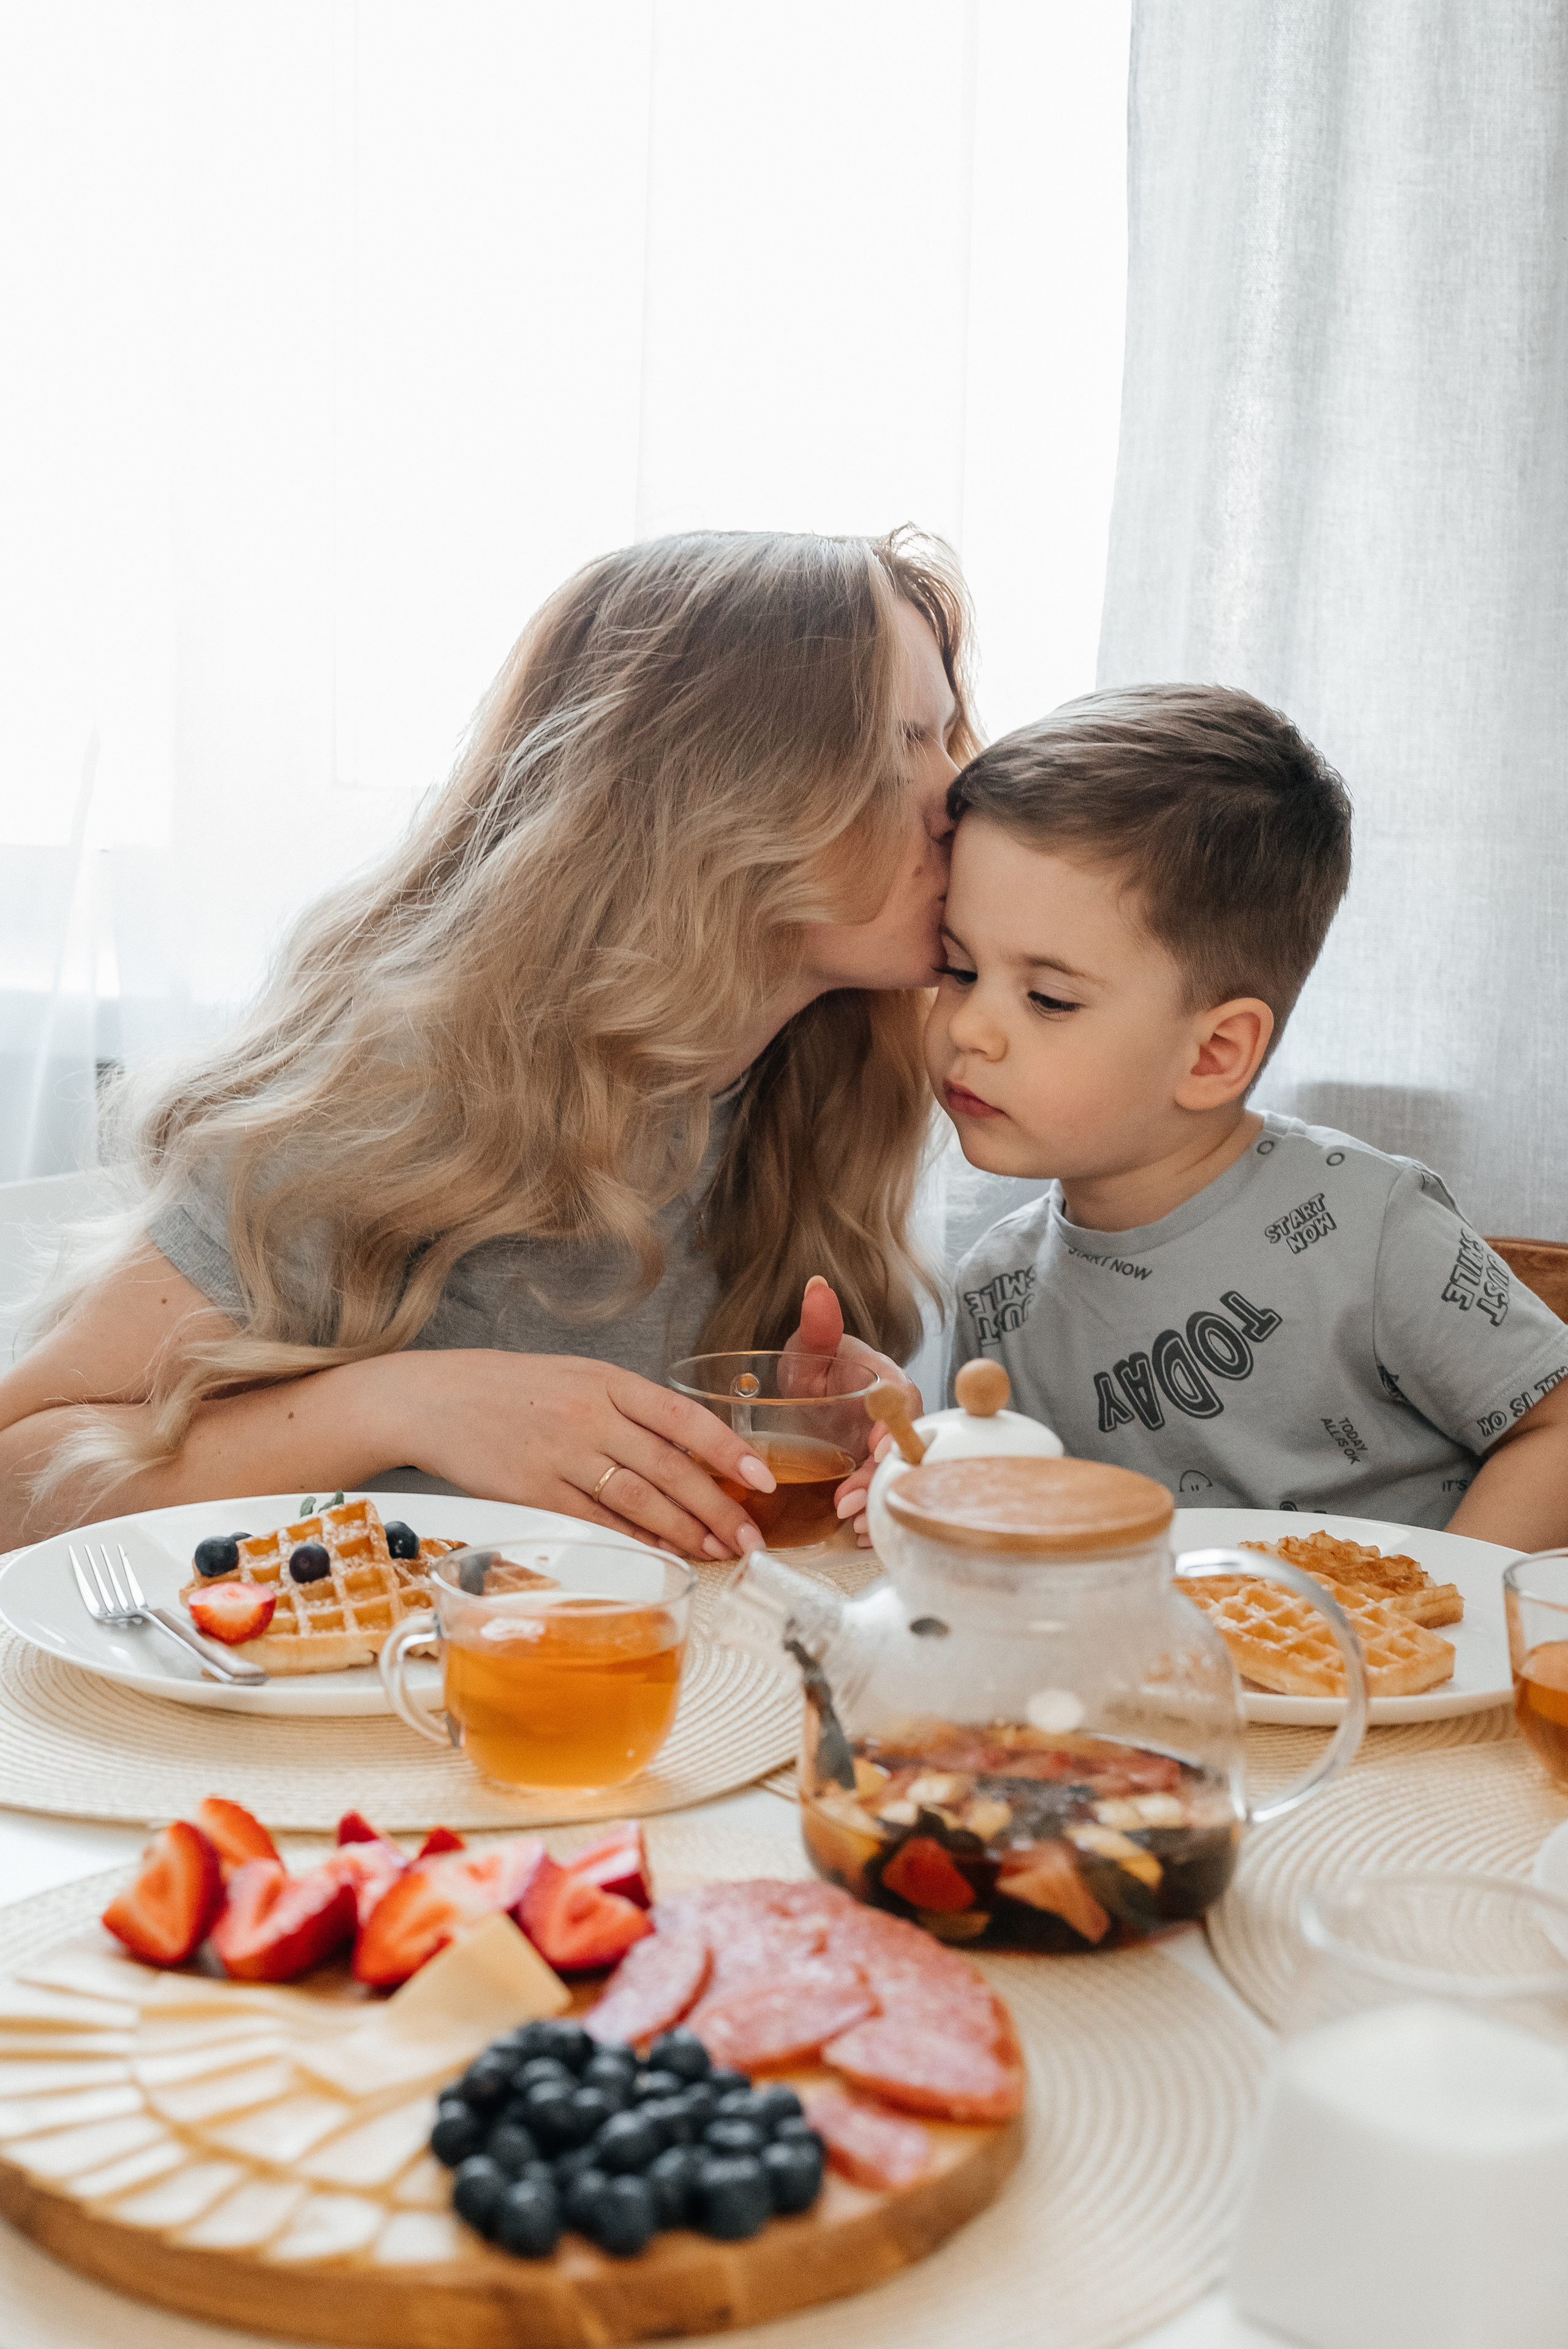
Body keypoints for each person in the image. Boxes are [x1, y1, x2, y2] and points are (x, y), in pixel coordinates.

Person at [0, 528, 977, 1553]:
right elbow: (20, 1475)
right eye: (906, 743)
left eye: (951, 736)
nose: (963, 793)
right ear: (727, 791)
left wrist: (808, 1431)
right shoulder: (400, 1093)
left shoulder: (837, 1075)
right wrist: (405, 1404)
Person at [928, 683, 1568, 1547]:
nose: (967, 1025)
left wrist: (1433, 1616)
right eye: (960, 969)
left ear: (1214, 1054)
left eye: (1046, 997)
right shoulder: (990, 1295)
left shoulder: (1371, 1228)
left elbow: (1556, 1430)